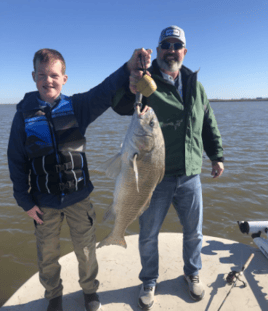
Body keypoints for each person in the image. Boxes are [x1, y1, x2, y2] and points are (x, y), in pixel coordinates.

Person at [7, 47, 151, 311]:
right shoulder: (22, 117)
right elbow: (16, 161)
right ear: (33, 76)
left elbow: (104, 90)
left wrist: (129, 66)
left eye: (53, 75)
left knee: (86, 251)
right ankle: (53, 296)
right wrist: (24, 201)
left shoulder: (77, 108)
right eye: (42, 74)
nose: (47, 80)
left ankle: (89, 290)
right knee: (47, 256)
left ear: (64, 79)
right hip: (44, 202)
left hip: (79, 198)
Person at [112, 25, 224, 310]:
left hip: (190, 175)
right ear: (158, 50)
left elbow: (208, 122)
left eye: (177, 46)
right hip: (155, 179)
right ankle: (149, 279)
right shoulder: (146, 83)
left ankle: (192, 272)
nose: (171, 51)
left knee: (194, 232)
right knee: (148, 233)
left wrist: (216, 155)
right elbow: (122, 105)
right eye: (166, 46)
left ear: (184, 52)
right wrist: (131, 83)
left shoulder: (196, 86)